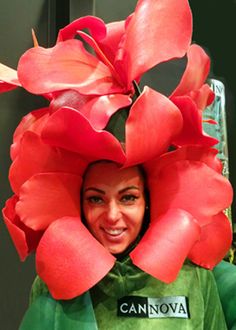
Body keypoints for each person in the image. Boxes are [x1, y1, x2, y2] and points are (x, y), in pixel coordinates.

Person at [0, 0, 233, 329]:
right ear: (77, 202)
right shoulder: (57, 282)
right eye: (96, 198)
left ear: (149, 199)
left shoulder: (195, 282)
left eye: (128, 197)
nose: (112, 216)